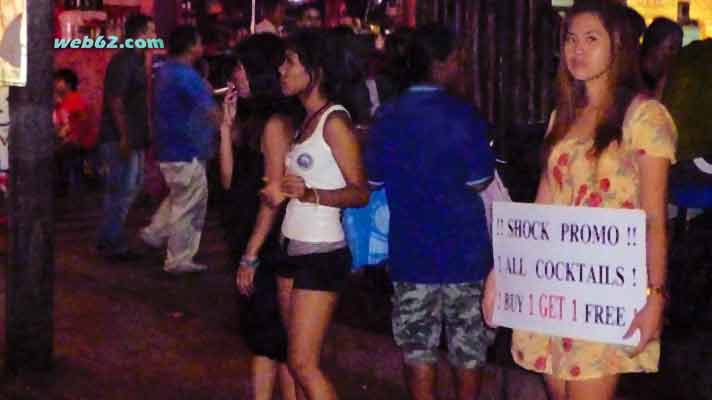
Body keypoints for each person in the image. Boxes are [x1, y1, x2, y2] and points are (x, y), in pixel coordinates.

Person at [483, 2, 677, 399]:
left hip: (607, 288)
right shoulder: (565, 116)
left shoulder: (645, 118)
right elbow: (543, 205)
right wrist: (503, 270)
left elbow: (654, 217)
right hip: (556, 286)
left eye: (592, 39)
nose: (577, 50)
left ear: (618, 46)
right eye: (571, 39)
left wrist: (655, 295)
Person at [364, 24, 495, 400]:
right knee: (468, 349)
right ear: (440, 63)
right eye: (457, 59)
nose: (461, 66)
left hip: (411, 252)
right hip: (464, 253)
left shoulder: (388, 116)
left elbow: (373, 181)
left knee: (417, 348)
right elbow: (480, 180)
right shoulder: (463, 114)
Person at [272, 29, 369, 400]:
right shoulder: (305, 120)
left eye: (290, 62)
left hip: (321, 253)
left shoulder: (333, 122)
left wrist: (311, 193)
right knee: (293, 359)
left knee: (302, 363)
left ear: (316, 71)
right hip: (291, 248)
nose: (282, 70)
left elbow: (360, 192)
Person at [218, 34, 301, 400]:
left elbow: (275, 197)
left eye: (241, 67)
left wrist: (252, 252)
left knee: (277, 340)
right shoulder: (252, 122)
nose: (235, 74)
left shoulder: (275, 125)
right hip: (244, 233)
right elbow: (228, 180)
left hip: (267, 242)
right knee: (261, 338)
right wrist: (226, 127)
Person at [139, 26, 220, 274]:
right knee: (189, 204)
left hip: (168, 147)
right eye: (199, 42)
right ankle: (178, 259)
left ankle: (155, 232)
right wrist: (227, 128)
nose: (202, 46)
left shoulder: (165, 71)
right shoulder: (187, 75)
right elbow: (209, 110)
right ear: (191, 46)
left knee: (180, 195)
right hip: (187, 149)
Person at [95, 14, 155, 262]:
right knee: (121, 189)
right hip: (121, 137)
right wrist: (124, 136)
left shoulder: (136, 60)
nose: (153, 37)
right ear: (139, 35)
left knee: (129, 187)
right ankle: (112, 242)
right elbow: (116, 100)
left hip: (132, 136)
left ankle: (110, 237)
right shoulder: (125, 61)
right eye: (151, 33)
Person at [53, 68, 94, 196]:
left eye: (59, 81)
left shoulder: (74, 99)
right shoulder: (62, 102)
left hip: (76, 144)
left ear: (68, 84)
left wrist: (72, 136)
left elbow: (83, 121)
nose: (55, 83)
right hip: (66, 143)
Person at [641, 17, 683, 100]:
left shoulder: (668, 78)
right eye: (671, 48)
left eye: (679, 48)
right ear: (653, 46)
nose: (676, 53)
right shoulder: (633, 79)